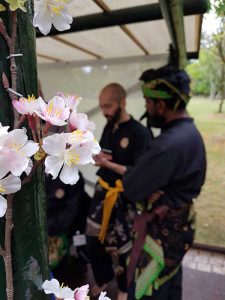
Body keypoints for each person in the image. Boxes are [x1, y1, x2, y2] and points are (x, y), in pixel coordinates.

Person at [122, 64, 207, 300]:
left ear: (160, 105)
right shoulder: (191, 134)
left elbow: (132, 187)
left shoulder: (167, 145)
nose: (146, 108)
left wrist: (139, 180)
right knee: (170, 284)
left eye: (148, 103)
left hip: (162, 235)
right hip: (181, 228)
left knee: (148, 290)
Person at [86, 83, 152, 300]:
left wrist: (109, 166)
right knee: (93, 241)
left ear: (122, 102)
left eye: (108, 106)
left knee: (124, 247)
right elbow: (105, 155)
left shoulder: (139, 133)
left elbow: (139, 172)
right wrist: (94, 157)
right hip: (102, 192)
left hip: (124, 197)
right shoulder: (109, 126)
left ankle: (124, 288)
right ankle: (103, 278)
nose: (104, 111)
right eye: (101, 106)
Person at [46, 171, 90, 289]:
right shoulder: (34, 173)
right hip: (40, 225)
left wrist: (51, 226)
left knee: (58, 269)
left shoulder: (72, 175)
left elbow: (71, 209)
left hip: (58, 228)